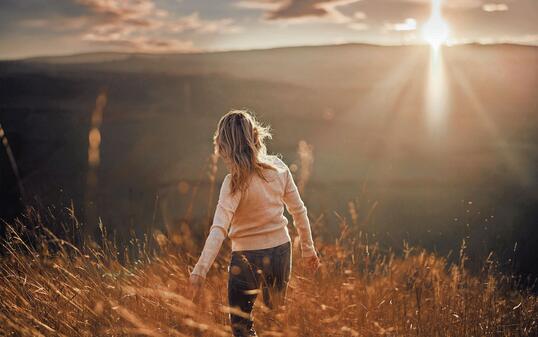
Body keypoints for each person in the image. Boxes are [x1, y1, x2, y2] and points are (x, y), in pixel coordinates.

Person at [189, 109, 320, 337]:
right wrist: (308, 250)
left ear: (224, 146)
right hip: (281, 252)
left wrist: (200, 271)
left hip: (246, 258)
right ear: (255, 137)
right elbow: (299, 211)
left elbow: (219, 230)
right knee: (276, 323)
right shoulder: (279, 168)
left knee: (242, 327)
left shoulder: (233, 183)